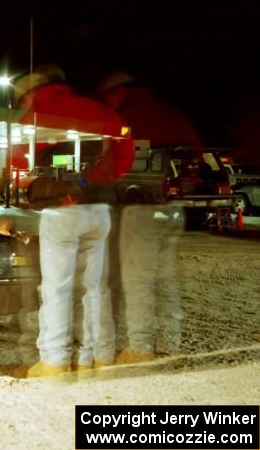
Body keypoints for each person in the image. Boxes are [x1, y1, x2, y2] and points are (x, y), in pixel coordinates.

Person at [15, 65, 134, 378]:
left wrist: (26, 181)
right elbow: (125, 148)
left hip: (60, 211)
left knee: (57, 287)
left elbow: (17, 161)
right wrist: (100, 182)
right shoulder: (99, 110)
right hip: (100, 209)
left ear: (30, 94)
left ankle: (54, 360)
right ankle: (98, 357)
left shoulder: (36, 116)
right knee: (96, 287)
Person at [98, 72, 201, 363]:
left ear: (119, 91)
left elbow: (112, 162)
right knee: (165, 279)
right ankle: (171, 344)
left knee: (137, 279)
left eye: (109, 95)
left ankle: (140, 348)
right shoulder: (173, 112)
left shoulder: (127, 116)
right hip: (173, 209)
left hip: (139, 208)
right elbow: (194, 152)